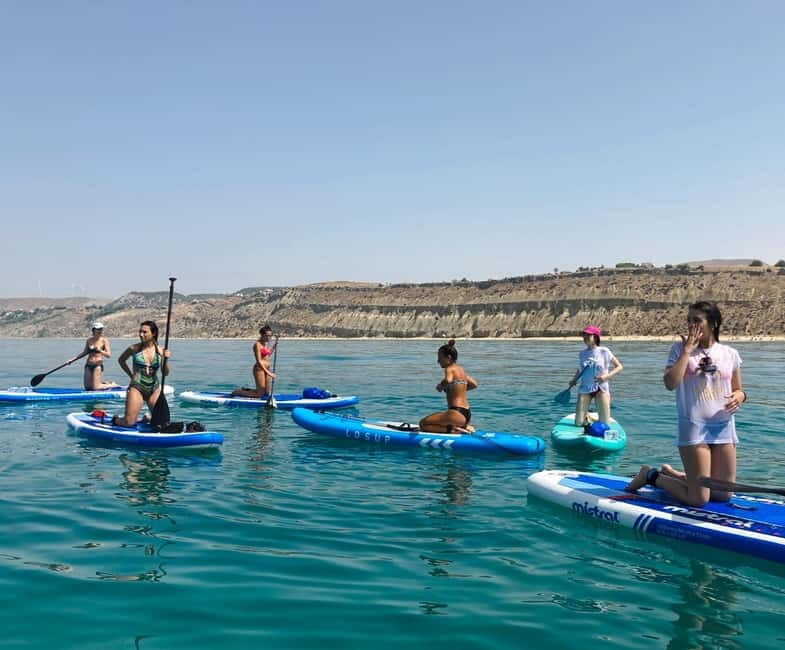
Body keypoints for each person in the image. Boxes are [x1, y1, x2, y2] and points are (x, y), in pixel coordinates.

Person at [626, 301, 746, 506]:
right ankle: (651, 476)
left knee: (722, 495)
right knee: (699, 499)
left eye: (697, 320)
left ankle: (674, 474)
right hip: (694, 429)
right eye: (689, 320)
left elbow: (739, 389)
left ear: (713, 323)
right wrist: (687, 352)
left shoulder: (730, 354)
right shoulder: (679, 350)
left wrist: (739, 397)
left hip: (723, 428)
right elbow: (670, 384)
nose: (691, 325)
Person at [112, 320, 170, 427]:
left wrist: (165, 359)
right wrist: (131, 375)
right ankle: (116, 419)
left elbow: (165, 373)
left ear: (153, 333)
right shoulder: (134, 348)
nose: (141, 334)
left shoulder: (161, 350)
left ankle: (147, 418)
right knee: (129, 423)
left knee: (162, 424)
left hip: (154, 388)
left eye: (144, 332)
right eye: (140, 331)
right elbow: (121, 360)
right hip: (137, 387)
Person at [567, 325, 623, 428]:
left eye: (588, 335)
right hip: (585, 388)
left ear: (595, 337)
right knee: (578, 423)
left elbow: (619, 367)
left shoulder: (604, 351)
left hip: (601, 389)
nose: (585, 337)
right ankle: (586, 416)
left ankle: (591, 417)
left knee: (605, 425)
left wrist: (606, 377)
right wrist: (574, 380)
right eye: (584, 335)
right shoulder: (582, 354)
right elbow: (581, 369)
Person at [419, 339, 478, 433]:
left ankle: (454, 430)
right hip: (466, 414)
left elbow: (448, 380)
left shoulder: (449, 369)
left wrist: (440, 386)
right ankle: (462, 426)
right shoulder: (461, 370)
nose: (438, 361)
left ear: (449, 358)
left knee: (423, 424)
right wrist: (458, 390)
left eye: (440, 358)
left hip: (456, 413)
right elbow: (474, 384)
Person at [231, 325, 277, 398]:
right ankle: (237, 392)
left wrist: (273, 348)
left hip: (267, 368)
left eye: (270, 336)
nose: (269, 338)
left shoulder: (265, 344)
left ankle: (246, 390)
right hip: (259, 369)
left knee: (266, 392)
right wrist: (269, 373)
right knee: (259, 394)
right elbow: (259, 361)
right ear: (262, 335)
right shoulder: (257, 345)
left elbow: (267, 357)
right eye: (267, 336)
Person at [80, 322, 119, 390]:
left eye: (101, 329)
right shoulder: (89, 340)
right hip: (88, 365)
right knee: (88, 388)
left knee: (96, 388)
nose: (100, 331)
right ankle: (102, 383)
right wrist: (71, 360)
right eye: (98, 329)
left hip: (97, 365)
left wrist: (100, 350)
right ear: (93, 330)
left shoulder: (104, 341)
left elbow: (108, 355)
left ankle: (112, 385)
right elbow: (84, 352)